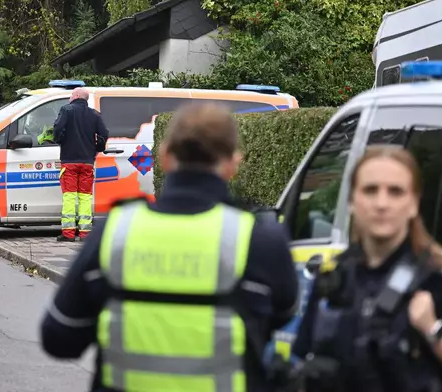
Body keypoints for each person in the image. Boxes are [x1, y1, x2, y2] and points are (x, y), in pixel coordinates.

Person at [40, 103, 300, 392]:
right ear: (233, 163)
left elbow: (59, 338)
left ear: (163, 156)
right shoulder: (260, 239)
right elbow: (284, 317)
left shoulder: (116, 233)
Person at [290, 146, 442, 392]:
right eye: (370, 190)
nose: (381, 203)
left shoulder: (439, 280)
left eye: (395, 192)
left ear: (413, 204)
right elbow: (303, 356)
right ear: (351, 202)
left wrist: (434, 330)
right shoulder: (334, 280)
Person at [53, 87, 109, 242]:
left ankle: (68, 233)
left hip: (69, 161)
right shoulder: (94, 114)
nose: (70, 97)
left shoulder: (66, 110)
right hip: (87, 162)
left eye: (71, 94)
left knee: (69, 197)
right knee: (85, 197)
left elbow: (57, 128)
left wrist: (59, 139)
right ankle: (85, 234)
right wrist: (98, 148)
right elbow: (104, 133)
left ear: (76, 96)